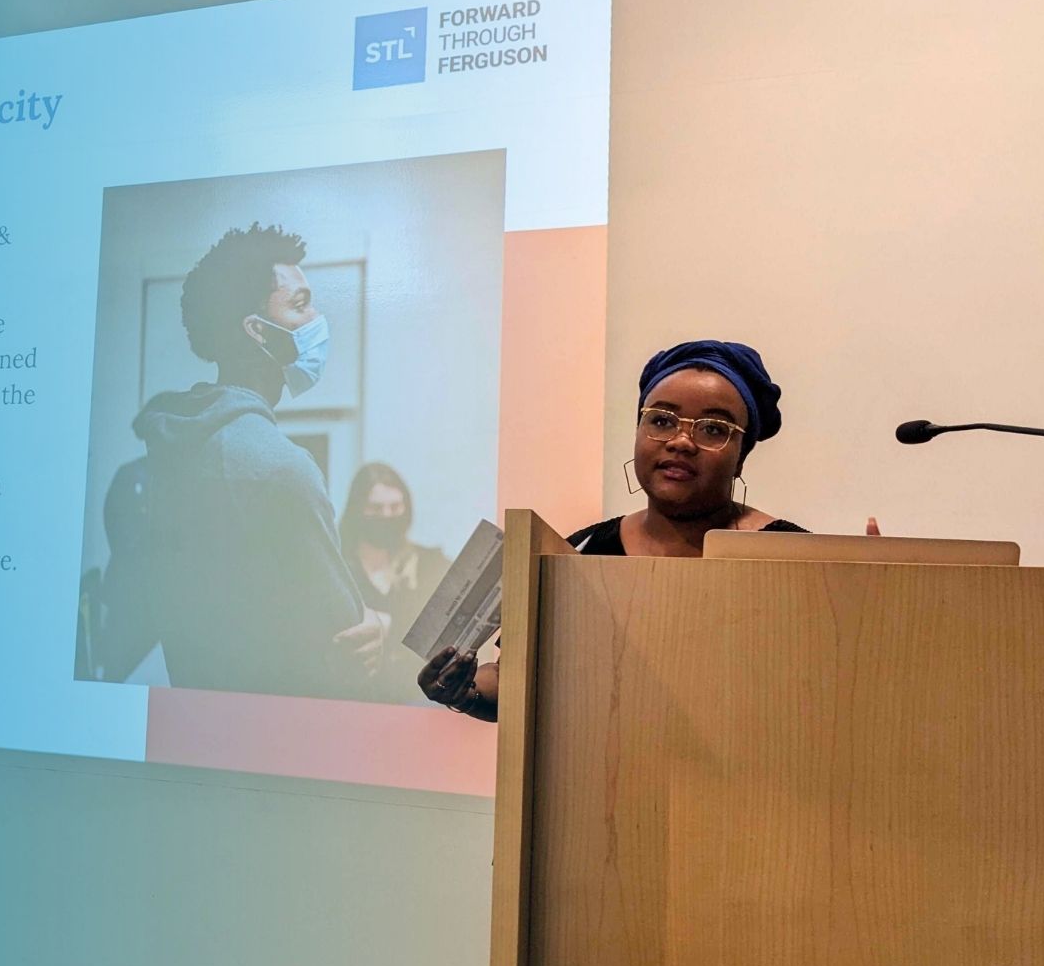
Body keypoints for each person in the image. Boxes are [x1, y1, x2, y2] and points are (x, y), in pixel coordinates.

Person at [420, 339, 869, 720]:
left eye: (713, 428)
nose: (680, 441)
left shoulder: (795, 557)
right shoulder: (584, 550)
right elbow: (514, 677)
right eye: (661, 420)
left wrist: (877, 609)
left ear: (742, 455)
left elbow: (838, 692)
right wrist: (463, 689)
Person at [129, 223, 385, 699]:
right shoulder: (279, 467)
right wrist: (383, 624)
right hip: (285, 729)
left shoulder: (173, 448)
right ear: (258, 332)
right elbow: (348, 636)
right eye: (300, 304)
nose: (317, 317)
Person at [338, 463, 453, 702]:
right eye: (376, 508)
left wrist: (390, 624)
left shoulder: (430, 563)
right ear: (358, 510)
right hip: (352, 701)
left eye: (395, 507)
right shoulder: (340, 567)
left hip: (418, 701)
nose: (387, 516)